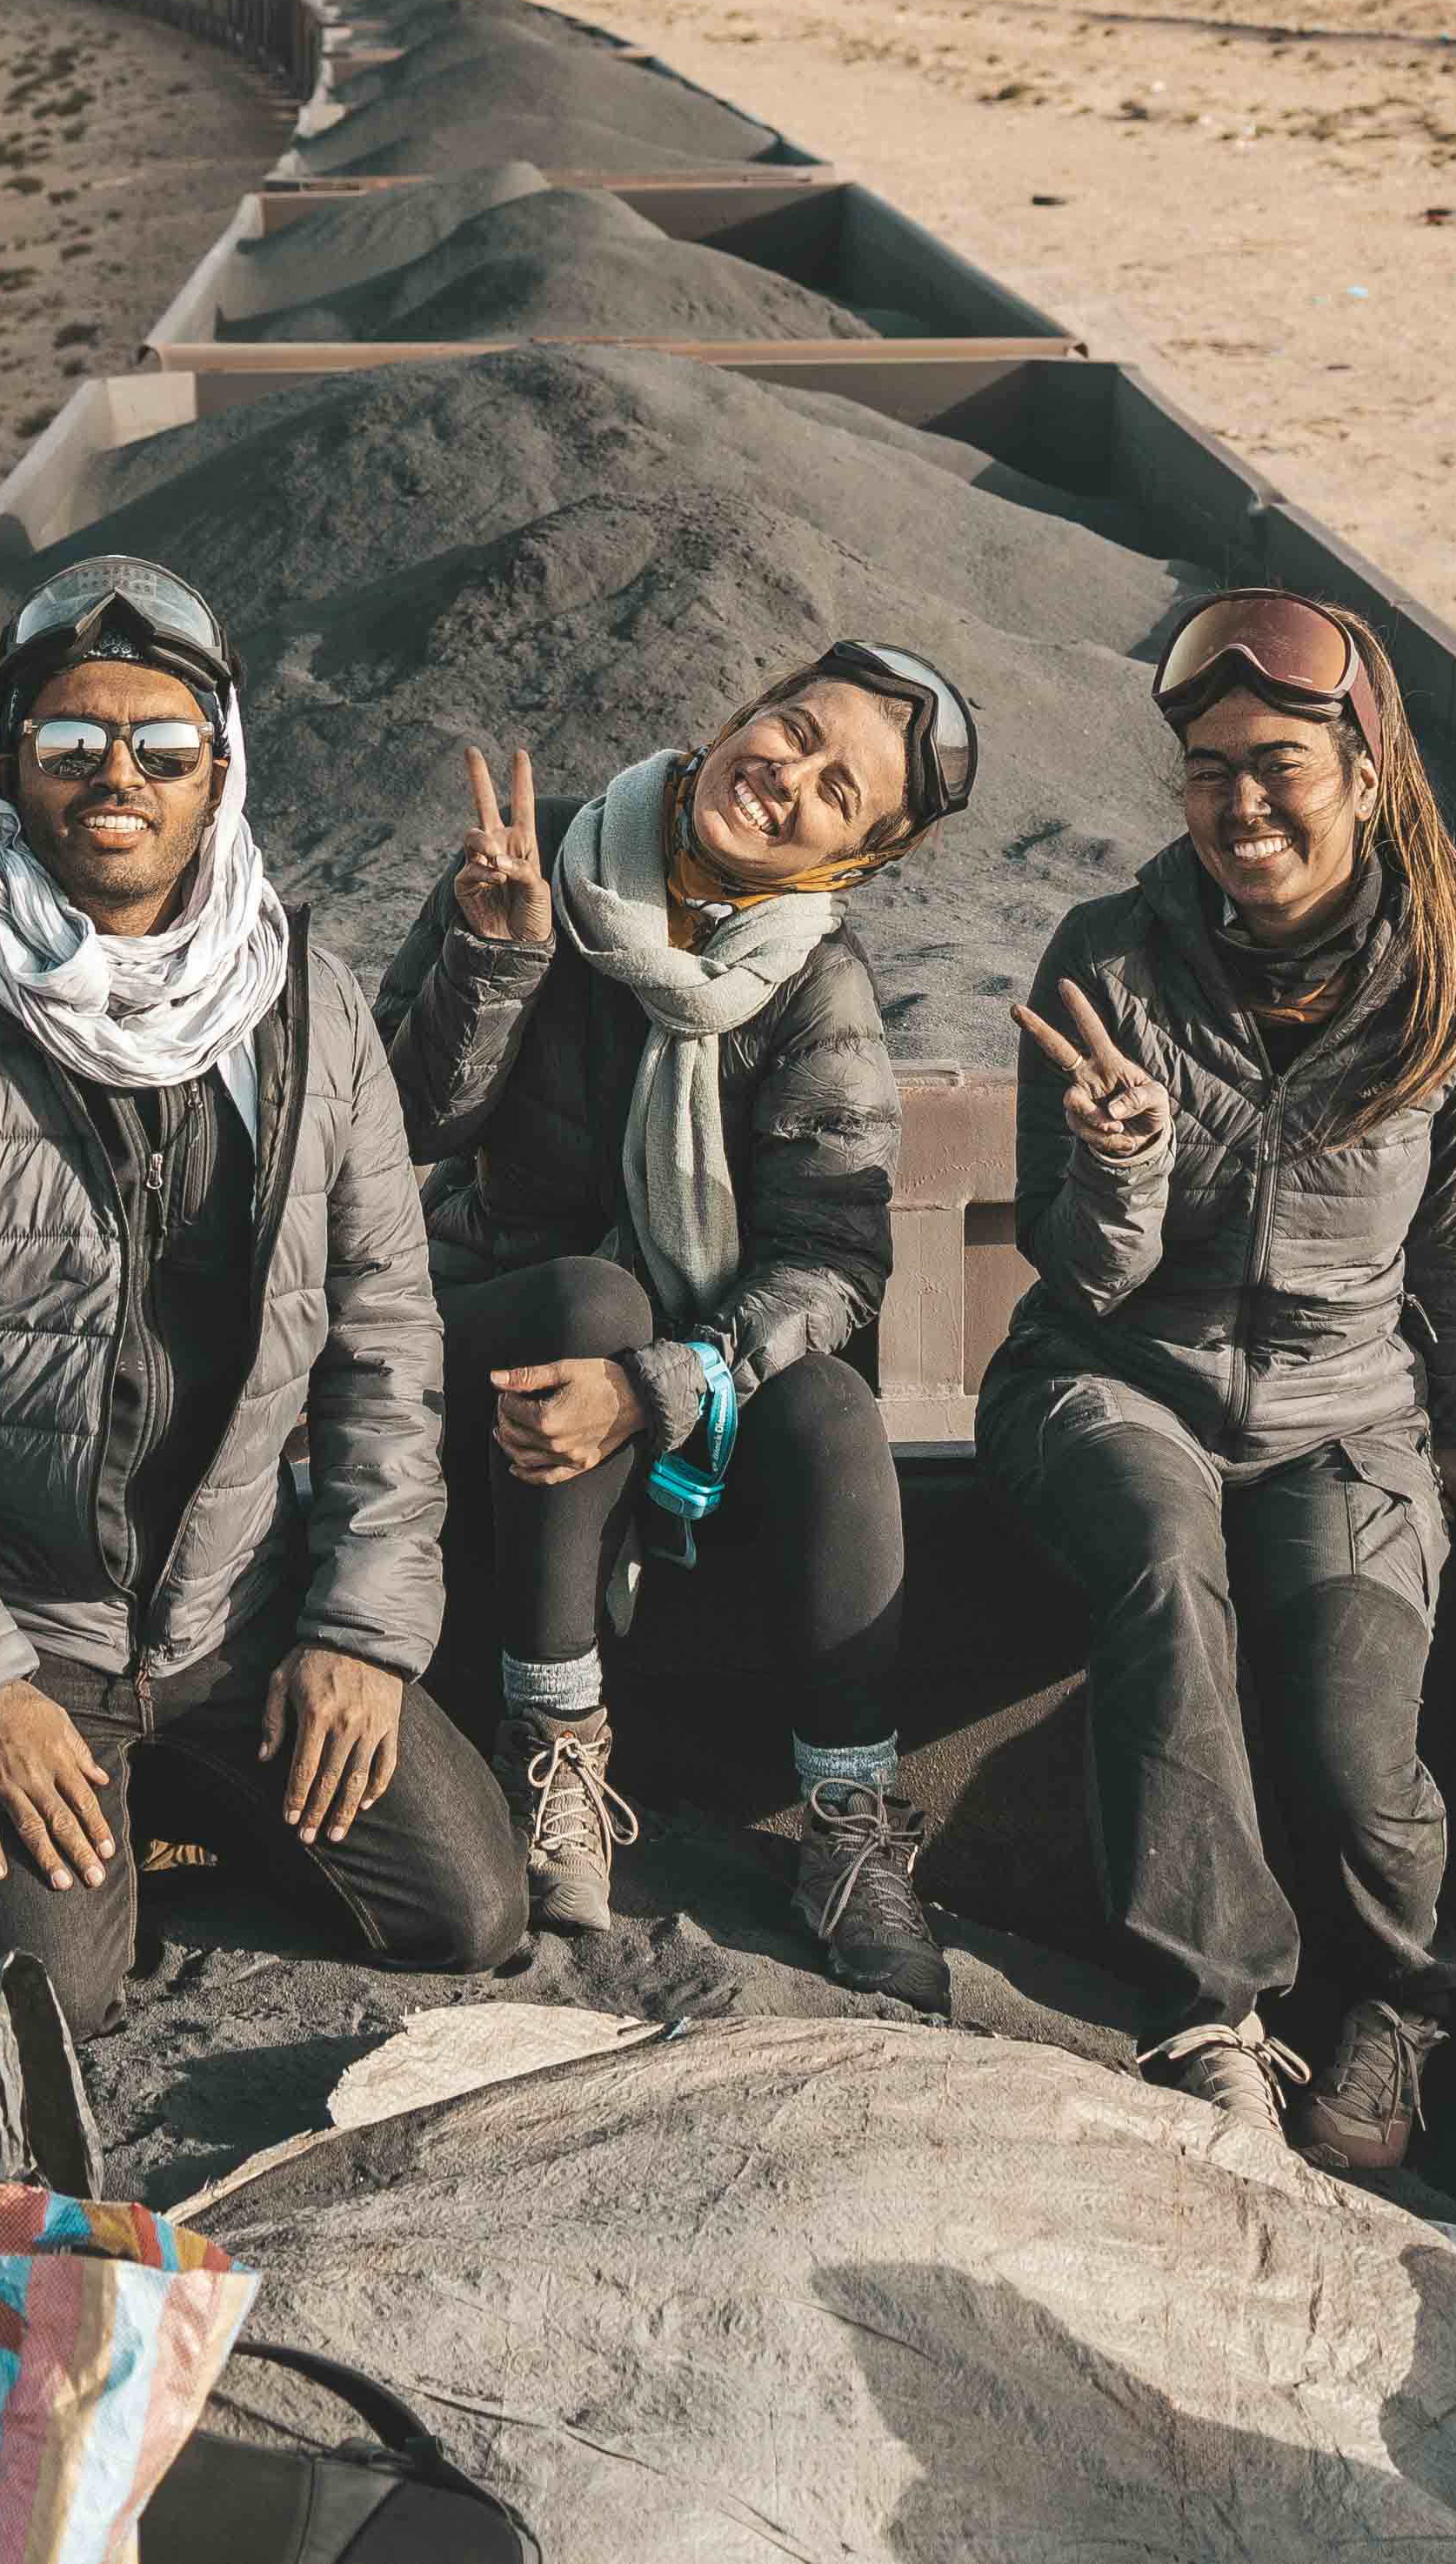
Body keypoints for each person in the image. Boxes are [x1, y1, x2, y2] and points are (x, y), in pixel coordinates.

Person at [0, 557, 529, 2033]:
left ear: (218, 771)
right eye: (72, 740)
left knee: (467, 1909)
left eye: (164, 745)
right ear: (5, 760)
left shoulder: (300, 1001)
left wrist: (358, 1633)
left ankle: (152, 1782)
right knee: (53, 1999)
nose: (119, 776)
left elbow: (383, 1338)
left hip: (234, 1606)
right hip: (11, 1613)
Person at [997, 591, 1456, 2167]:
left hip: (1342, 1413)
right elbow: (1079, 1277)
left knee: (1360, 1743)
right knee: (1167, 1567)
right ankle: (1214, 2012)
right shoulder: (1105, 960)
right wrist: (1122, 1168)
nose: (1241, 803)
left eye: (1278, 763)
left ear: (1364, 774)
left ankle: (1404, 2001)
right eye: (1209, 767)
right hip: (1114, 1382)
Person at [379, 644, 978, 2009]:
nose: (789, 778)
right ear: (738, 715)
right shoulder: (541, 860)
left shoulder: (815, 983)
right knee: (593, 1298)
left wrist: (665, 1381)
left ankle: (847, 1828)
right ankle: (553, 1742)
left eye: (838, 791)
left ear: (854, 858)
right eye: (794, 731)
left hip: (674, 1370)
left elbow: (833, 1261)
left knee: (828, 1405)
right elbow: (402, 1121)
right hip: (480, 1336)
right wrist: (496, 953)